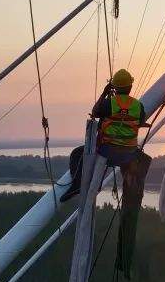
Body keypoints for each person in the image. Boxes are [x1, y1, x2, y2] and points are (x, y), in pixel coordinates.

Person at [61, 69, 146, 203]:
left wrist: (105, 93)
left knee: (77, 154)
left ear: (115, 88)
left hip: (108, 152)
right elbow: (140, 122)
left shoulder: (109, 103)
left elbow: (95, 112)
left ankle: (77, 185)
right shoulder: (138, 106)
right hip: (129, 154)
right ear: (130, 87)